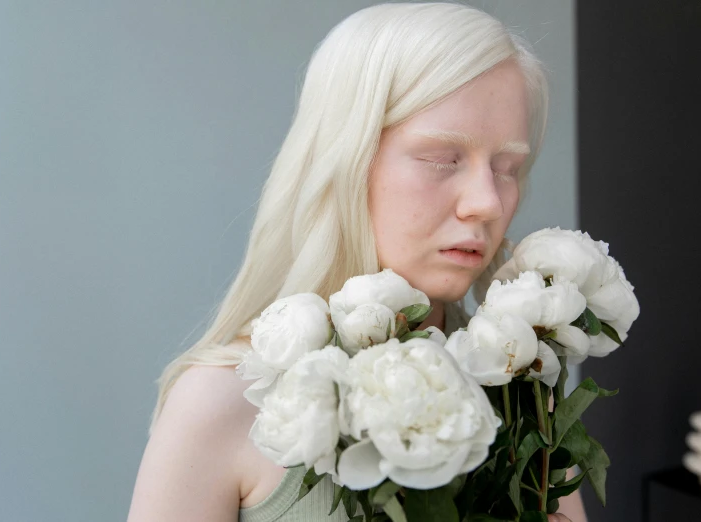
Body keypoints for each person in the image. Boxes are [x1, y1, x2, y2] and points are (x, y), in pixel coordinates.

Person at [127, 3, 587, 521]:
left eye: (508, 168)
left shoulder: (519, 391)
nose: (488, 202)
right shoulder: (222, 404)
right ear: (348, 159)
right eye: (443, 159)